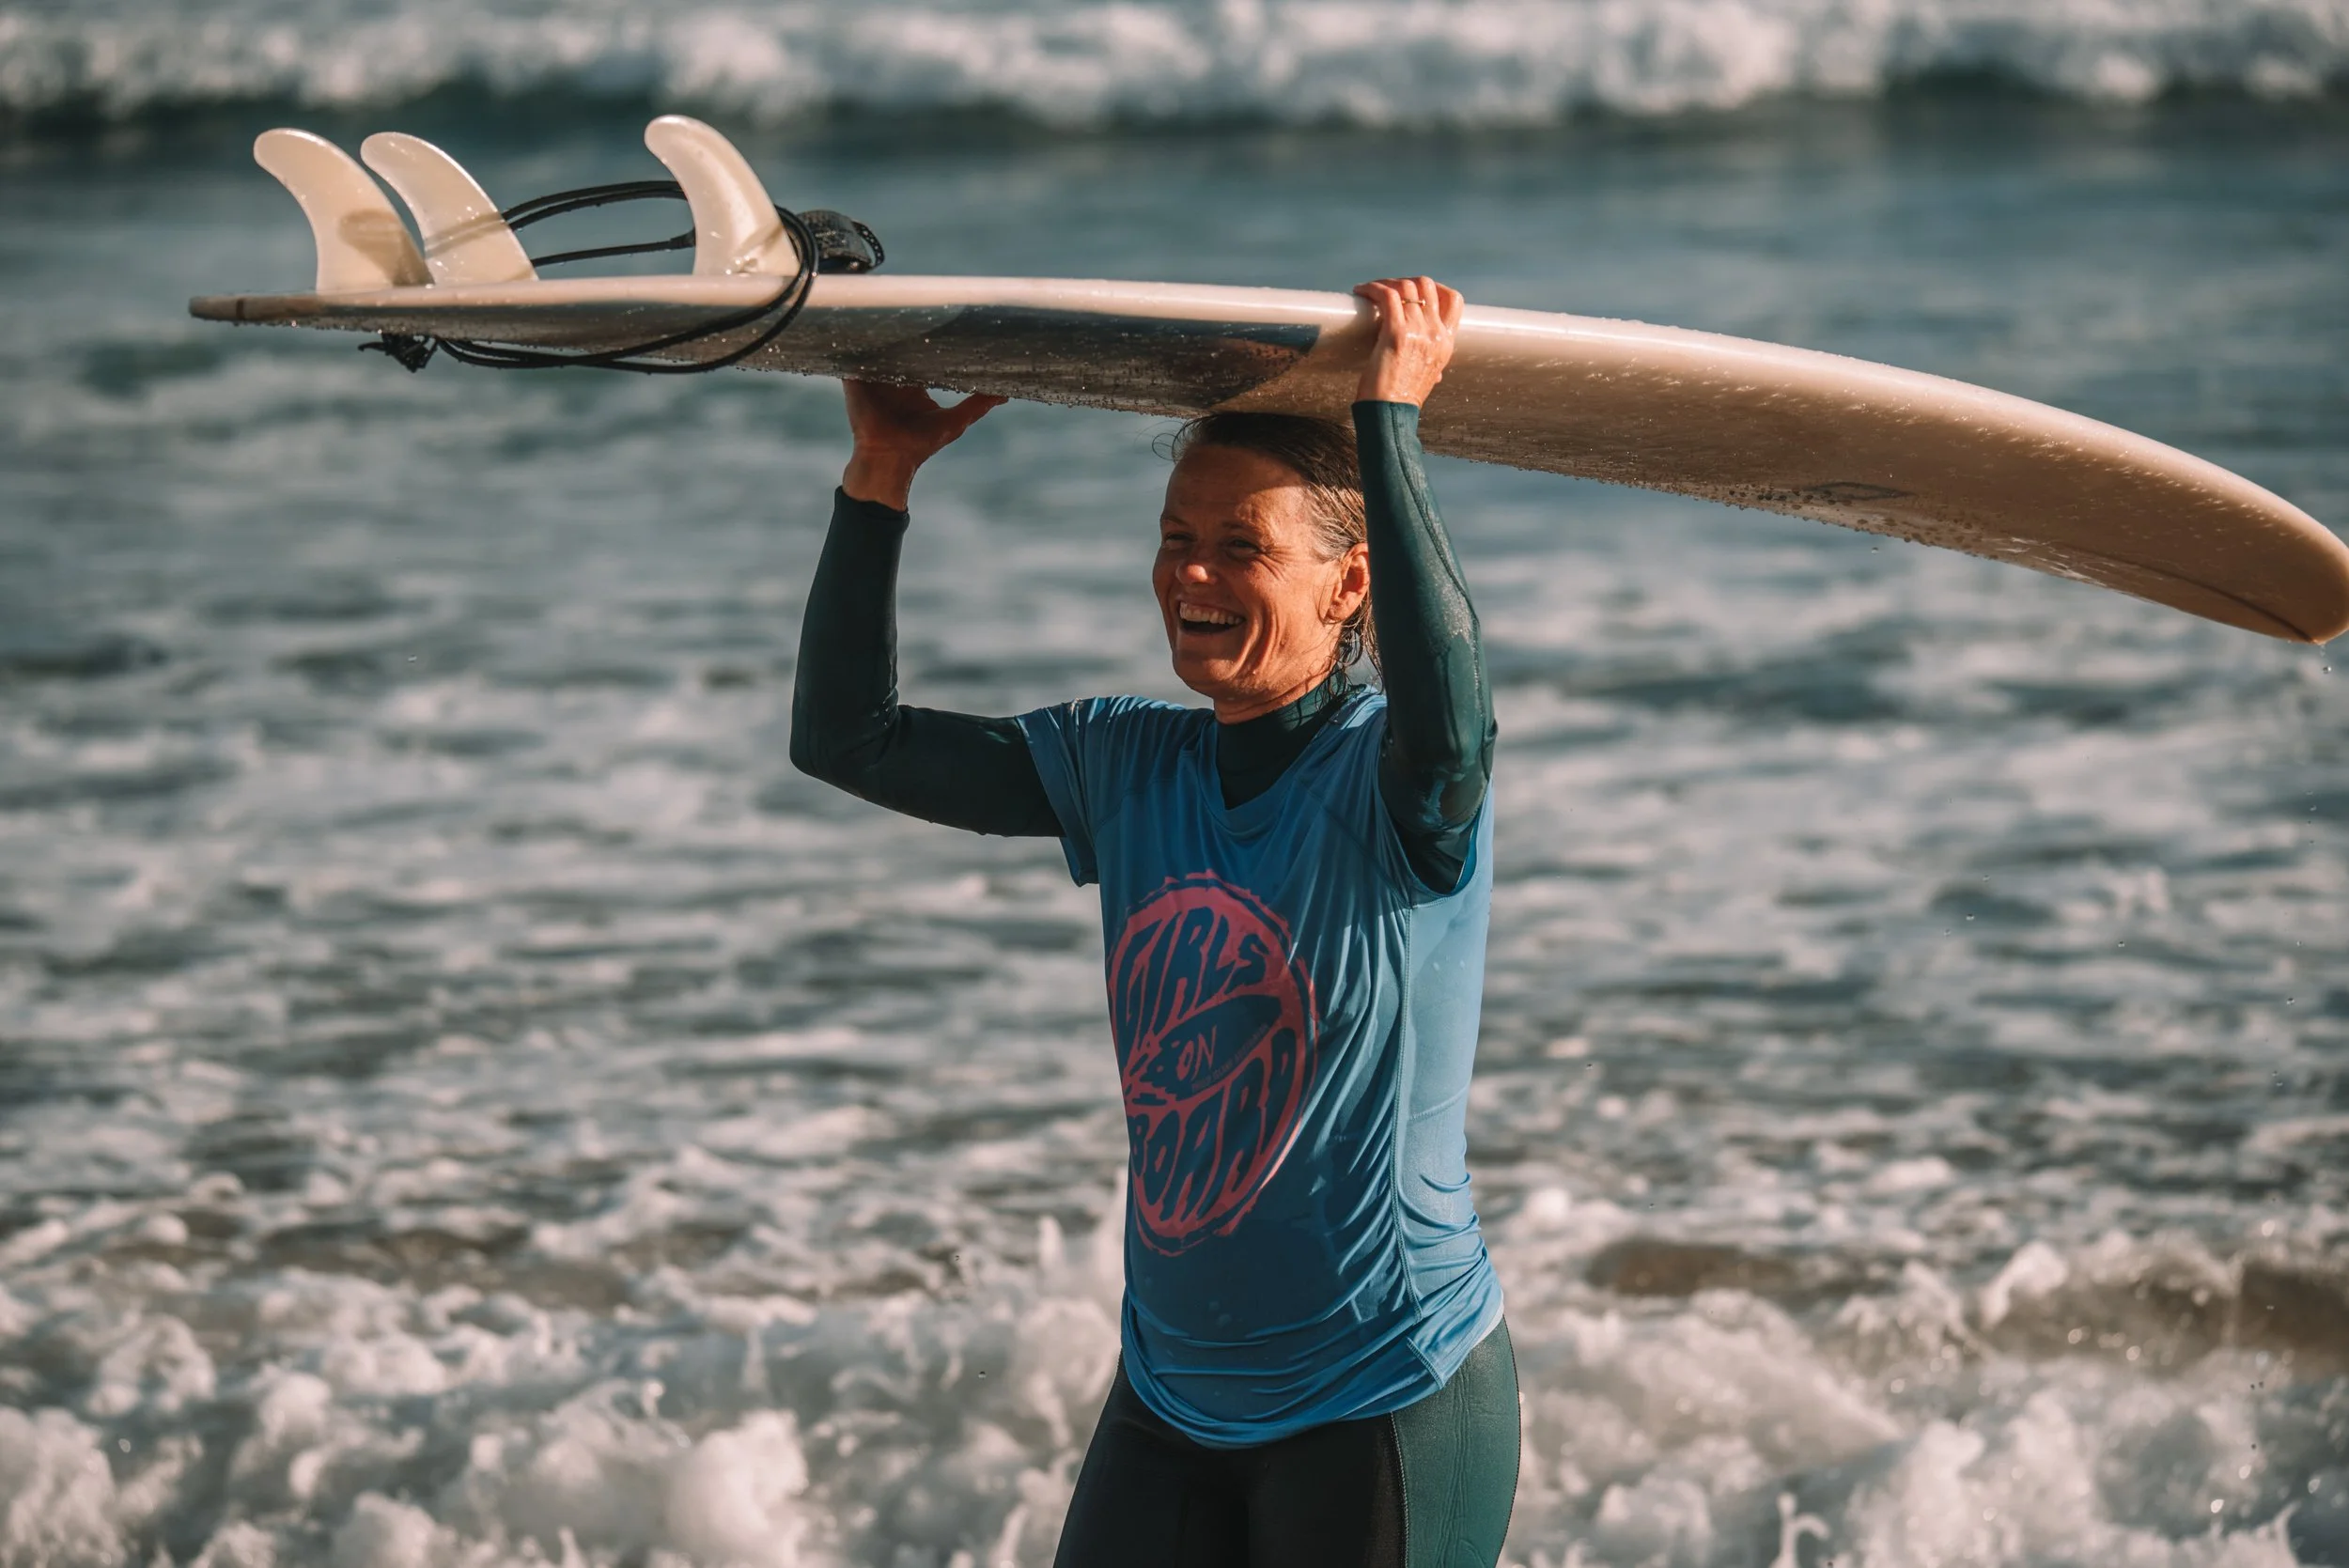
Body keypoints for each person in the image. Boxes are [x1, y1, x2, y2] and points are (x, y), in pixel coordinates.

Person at [792, 276, 1515, 1568]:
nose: (1189, 572)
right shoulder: (1124, 766)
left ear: (1351, 584)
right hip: (1175, 1395)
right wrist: (880, 476)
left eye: (1242, 547)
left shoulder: (1398, 786)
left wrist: (1389, 423)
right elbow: (847, 740)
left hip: (1382, 1392)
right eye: (1176, 535)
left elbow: (1454, 712)